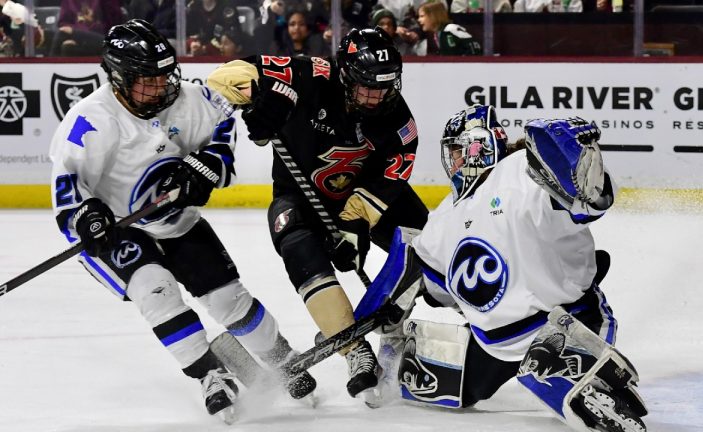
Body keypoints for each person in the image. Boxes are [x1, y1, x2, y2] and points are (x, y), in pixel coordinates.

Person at [48, 19, 316, 419]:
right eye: (147, 80)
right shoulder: (91, 119)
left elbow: (222, 127)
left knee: (229, 299)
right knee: (156, 291)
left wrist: (207, 165)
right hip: (120, 229)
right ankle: (210, 374)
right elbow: (67, 186)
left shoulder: (189, 100)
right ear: (119, 79)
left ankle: (282, 357)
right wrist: (87, 217)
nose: (161, 86)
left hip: (179, 222)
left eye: (164, 75)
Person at [365, 105, 648, 431]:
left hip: (565, 318)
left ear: (481, 146)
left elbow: (587, 203)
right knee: (424, 381)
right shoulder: (444, 217)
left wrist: (576, 161)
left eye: (460, 150)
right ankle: (399, 360)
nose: (456, 160)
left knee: (558, 375)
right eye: (452, 152)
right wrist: (389, 312)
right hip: (494, 344)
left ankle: (588, 381)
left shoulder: (523, 172)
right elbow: (425, 273)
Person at [206, 27, 429, 399]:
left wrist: (352, 230)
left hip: (360, 200)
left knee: (425, 245)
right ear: (344, 75)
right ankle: (354, 348)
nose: (375, 97)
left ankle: (395, 325)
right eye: (365, 87)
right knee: (298, 248)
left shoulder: (401, 127)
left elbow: (382, 188)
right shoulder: (310, 74)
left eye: (384, 87)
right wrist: (259, 101)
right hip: (299, 198)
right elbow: (224, 76)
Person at [49, 0, 123, 56]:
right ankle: (50, 71)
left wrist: (76, 32)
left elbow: (114, 26)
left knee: (64, 35)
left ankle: (48, 71)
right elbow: (63, 23)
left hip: (104, 40)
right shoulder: (69, 1)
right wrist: (78, 35)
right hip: (76, 36)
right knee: (66, 44)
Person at [416, 1, 481, 55]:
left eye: (422, 16)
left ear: (433, 16)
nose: (419, 20)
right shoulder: (438, 33)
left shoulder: (450, 29)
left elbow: (474, 48)